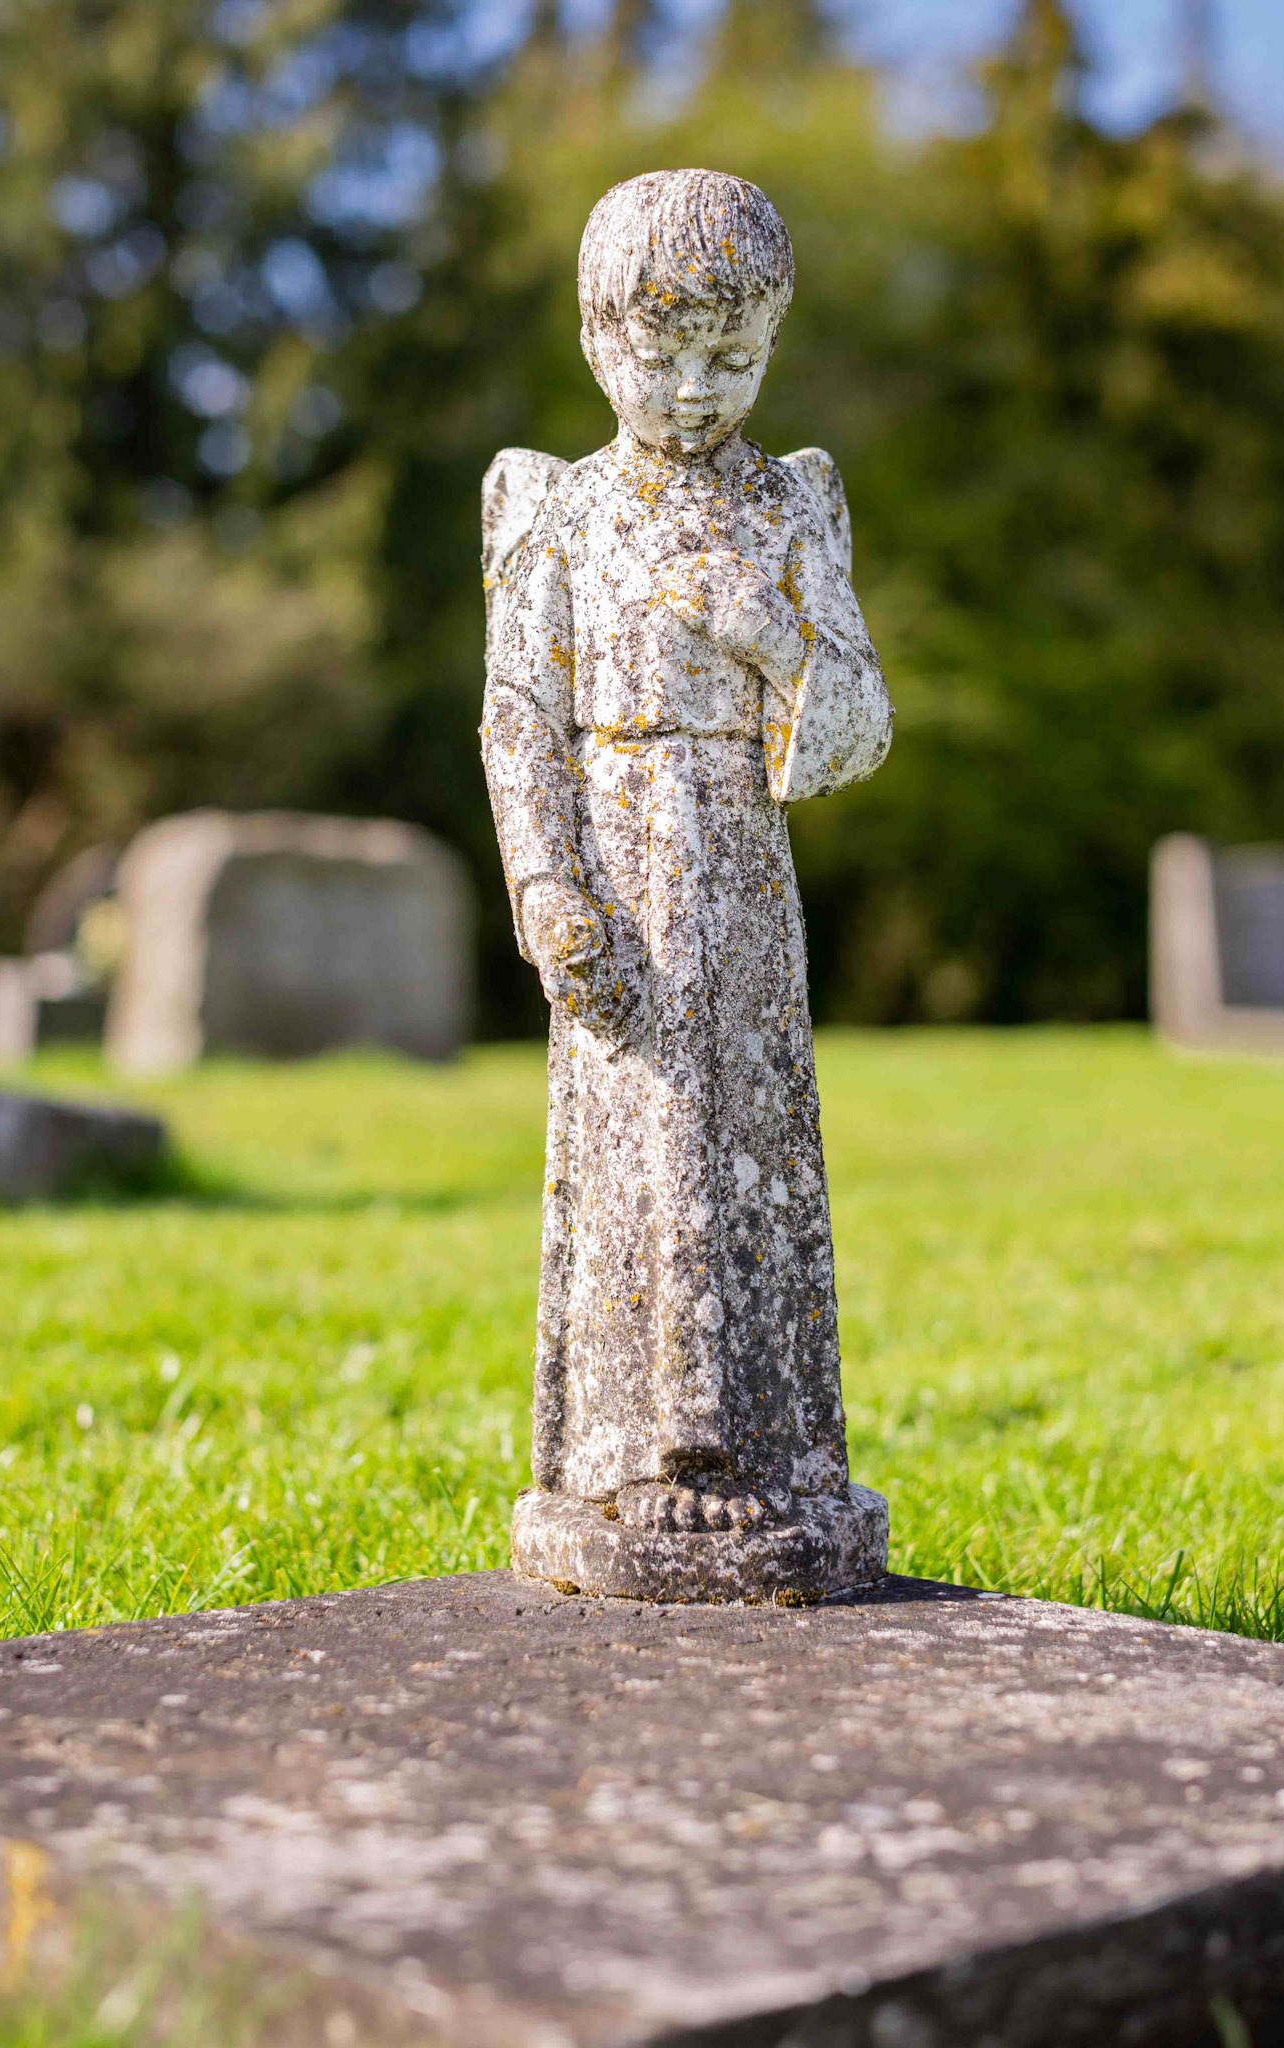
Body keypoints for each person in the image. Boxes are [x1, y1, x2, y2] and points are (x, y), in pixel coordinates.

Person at [481, 168, 892, 1553]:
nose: (699, 389)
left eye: (734, 357)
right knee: (633, 1150)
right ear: (597, 344)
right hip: (620, 871)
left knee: (753, 1141)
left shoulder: (790, 503)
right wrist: (546, 889)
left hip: (744, 872)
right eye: (663, 356)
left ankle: (776, 1453)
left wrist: (771, 635)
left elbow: (859, 725)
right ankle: (627, 1450)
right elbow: (520, 719)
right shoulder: (561, 508)